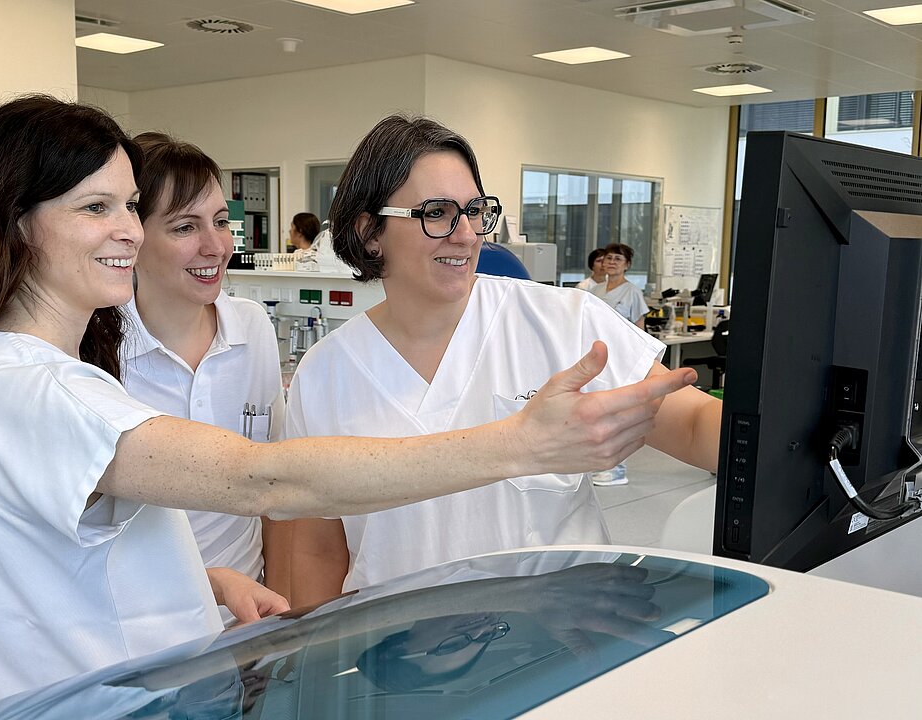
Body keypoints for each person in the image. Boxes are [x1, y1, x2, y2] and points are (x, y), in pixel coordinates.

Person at [0, 95, 695, 700]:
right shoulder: (35, 389)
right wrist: (522, 442)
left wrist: (205, 582)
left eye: (130, 205)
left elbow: (70, 566)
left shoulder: (41, 375)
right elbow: (265, 480)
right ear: (16, 223)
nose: (128, 231)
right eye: (95, 208)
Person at [278, 115, 721, 607]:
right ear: (369, 232)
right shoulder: (326, 373)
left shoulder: (561, 322)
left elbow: (693, 424)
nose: (467, 235)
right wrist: (316, 649)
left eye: (475, 211)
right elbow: (319, 547)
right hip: (396, 638)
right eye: (437, 213)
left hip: (563, 630)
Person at [122, 131, 285, 611]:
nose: (215, 246)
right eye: (184, 227)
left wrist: (281, 608)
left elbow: (274, 485)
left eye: (220, 222)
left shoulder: (251, 327)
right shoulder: (97, 347)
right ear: (132, 236)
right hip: (142, 618)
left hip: (245, 613)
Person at [590, 243, 651, 485]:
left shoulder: (632, 292)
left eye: (618, 259)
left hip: (622, 358)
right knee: (597, 412)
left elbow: (639, 328)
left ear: (627, 265)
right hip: (597, 358)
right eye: (608, 258)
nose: (611, 262)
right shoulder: (595, 290)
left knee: (617, 415)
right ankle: (599, 462)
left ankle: (617, 469)